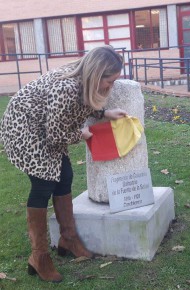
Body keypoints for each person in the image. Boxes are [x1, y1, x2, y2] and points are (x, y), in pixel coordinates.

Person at [0, 45, 127, 282]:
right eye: (109, 82)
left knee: (65, 175)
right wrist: (83, 134)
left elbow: (83, 102)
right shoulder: (66, 87)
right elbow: (56, 136)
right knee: (43, 184)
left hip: (44, 125)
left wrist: (104, 113)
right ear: (96, 74)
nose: (111, 87)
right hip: (26, 128)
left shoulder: (83, 78)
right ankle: (39, 256)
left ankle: (68, 239)